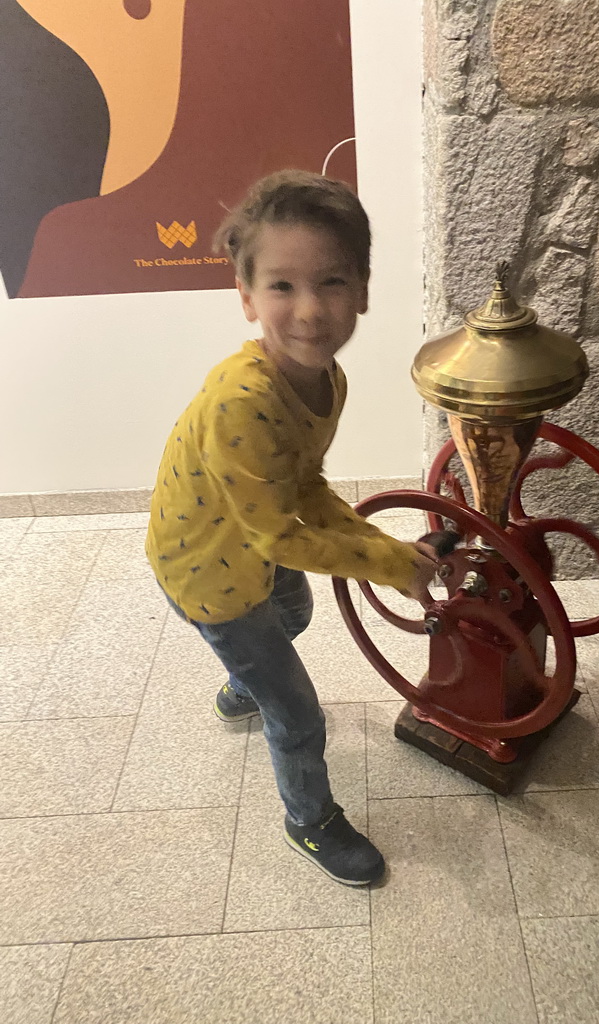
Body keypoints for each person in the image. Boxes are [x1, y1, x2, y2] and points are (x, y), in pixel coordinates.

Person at [145, 170, 437, 887]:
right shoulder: (241, 404)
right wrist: (396, 565)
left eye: (332, 281)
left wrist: (391, 551)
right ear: (245, 296)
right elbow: (282, 535)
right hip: (207, 572)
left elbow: (304, 487)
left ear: (363, 290)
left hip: (250, 539)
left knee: (296, 611)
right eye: (282, 286)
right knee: (299, 714)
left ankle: (244, 684)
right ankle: (309, 821)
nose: (309, 310)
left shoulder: (326, 379)